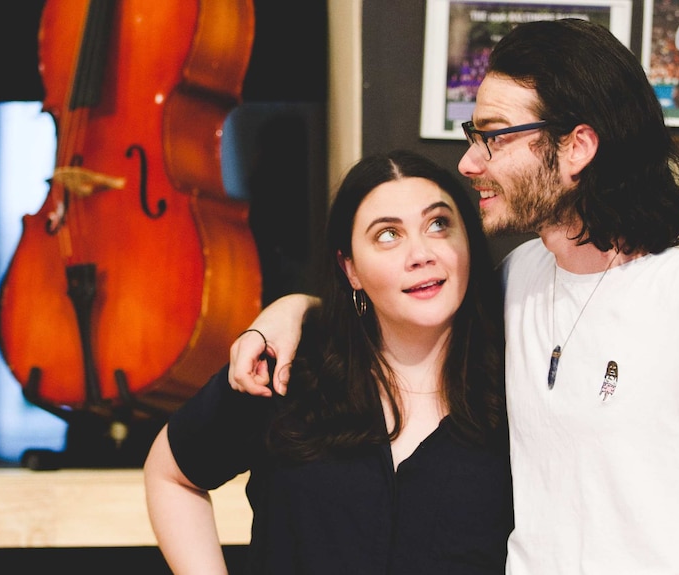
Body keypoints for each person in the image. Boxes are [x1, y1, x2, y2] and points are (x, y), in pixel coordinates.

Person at [228, 19, 679, 575]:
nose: (470, 162)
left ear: (576, 147)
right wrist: (296, 310)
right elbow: (401, 313)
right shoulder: (520, 276)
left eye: (494, 135)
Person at [144, 150, 513, 574]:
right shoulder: (289, 371)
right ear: (350, 268)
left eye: (438, 224)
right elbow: (171, 475)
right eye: (388, 235)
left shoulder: (517, 389)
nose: (420, 253)